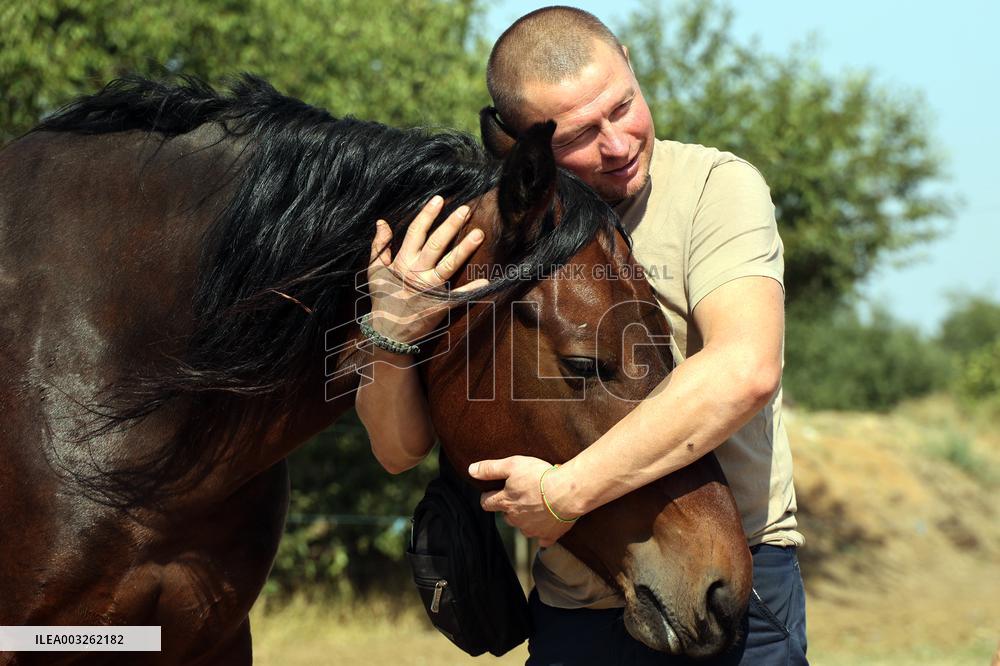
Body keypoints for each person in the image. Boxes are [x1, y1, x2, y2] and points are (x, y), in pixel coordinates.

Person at [357, 6, 807, 665]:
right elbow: (399, 451)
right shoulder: (481, 239)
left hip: (733, 575)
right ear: (515, 144)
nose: (619, 144)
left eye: (623, 107)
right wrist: (388, 332)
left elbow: (744, 369)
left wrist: (564, 493)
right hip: (574, 603)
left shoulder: (713, 190)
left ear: (629, 61)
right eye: (581, 135)